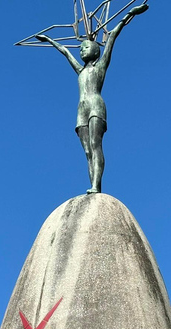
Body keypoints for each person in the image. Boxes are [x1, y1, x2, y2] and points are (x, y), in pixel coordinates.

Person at [36, 3, 148, 194]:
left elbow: (112, 36)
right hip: (81, 110)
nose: (81, 51)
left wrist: (131, 13)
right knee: (87, 152)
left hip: (96, 106)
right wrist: (48, 39)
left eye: (85, 47)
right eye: (80, 48)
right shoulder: (80, 70)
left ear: (95, 50)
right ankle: (94, 185)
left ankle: (96, 185)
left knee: (96, 146)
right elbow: (64, 51)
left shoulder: (100, 66)